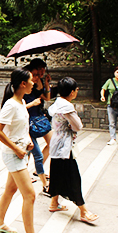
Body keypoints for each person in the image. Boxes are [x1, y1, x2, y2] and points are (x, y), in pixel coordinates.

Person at [0, 68, 49, 233]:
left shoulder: (21, 102)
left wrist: (28, 141)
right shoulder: (11, 104)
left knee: (10, 189)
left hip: (20, 152)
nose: (34, 83)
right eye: (31, 80)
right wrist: (16, 147)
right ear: (23, 84)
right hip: (13, 155)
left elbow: (21, 127)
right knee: (30, 195)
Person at [47, 77, 99, 223]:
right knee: (73, 176)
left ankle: (54, 203)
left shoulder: (57, 103)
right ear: (71, 92)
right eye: (76, 90)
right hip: (64, 146)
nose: (77, 92)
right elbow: (78, 126)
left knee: (56, 172)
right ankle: (83, 211)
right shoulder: (67, 107)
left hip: (55, 143)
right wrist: (71, 127)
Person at [23, 59, 53, 195]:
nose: (38, 75)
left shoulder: (35, 85)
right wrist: (32, 104)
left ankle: (32, 172)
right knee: (34, 153)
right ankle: (43, 184)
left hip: (39, 118)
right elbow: (16, 107)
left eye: (41, 71)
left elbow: (46, 97)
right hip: (28, 123)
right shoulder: (22, 89)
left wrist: (46, 84)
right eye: (35, 74)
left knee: (52, 143)